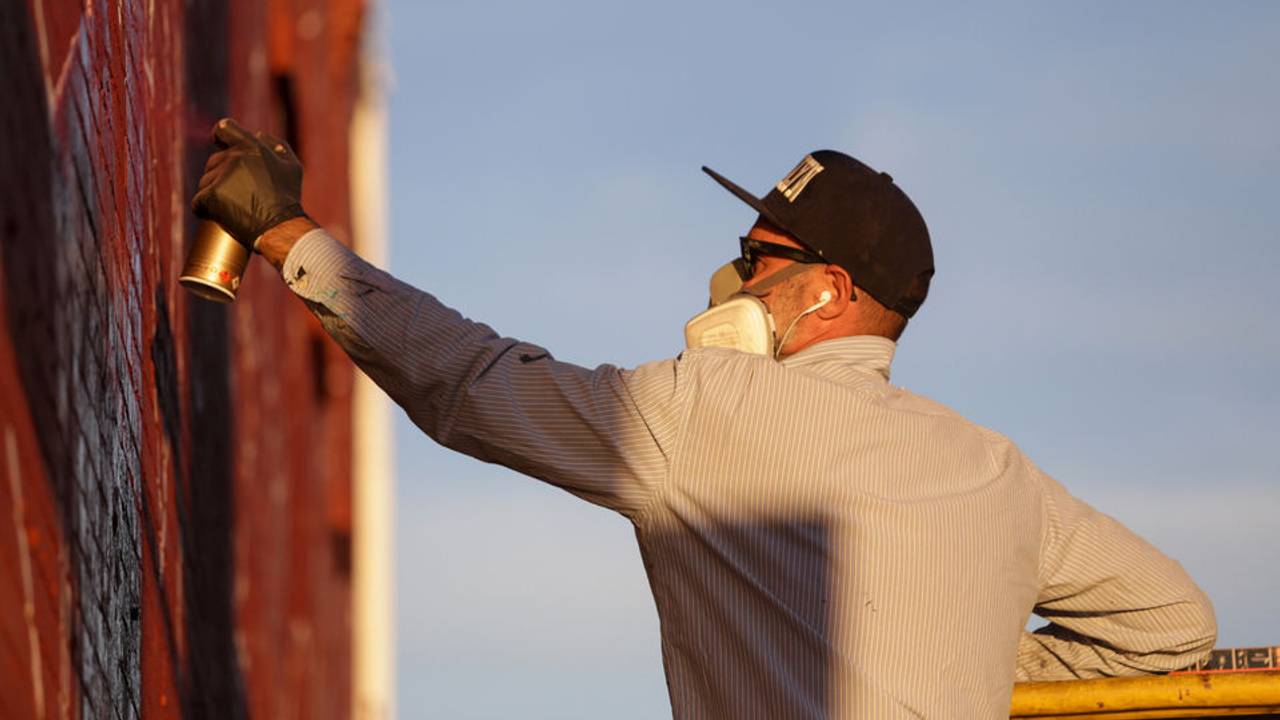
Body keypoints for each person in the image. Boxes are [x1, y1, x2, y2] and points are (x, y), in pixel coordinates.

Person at [193, 118, 1217, 718]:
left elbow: (468, 383)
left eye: (758, 255)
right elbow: (1169, 626)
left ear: (827, 293)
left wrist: (286, 234)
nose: (732, 274)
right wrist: (959, 664)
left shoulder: (710, 409)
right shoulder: (995, 469)